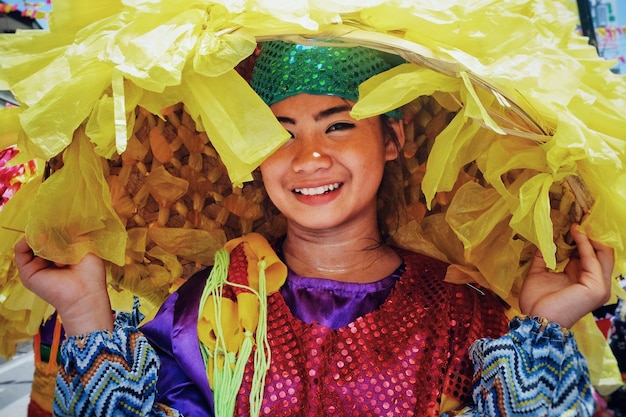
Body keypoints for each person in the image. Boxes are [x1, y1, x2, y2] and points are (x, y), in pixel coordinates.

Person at [13, 40, 614, 417]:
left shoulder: (466, 315)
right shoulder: (212, 307)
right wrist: (88, 316)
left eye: (337, 126)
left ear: (394, 139)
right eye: (279, 132)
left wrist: (543, 328)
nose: (307, 159)